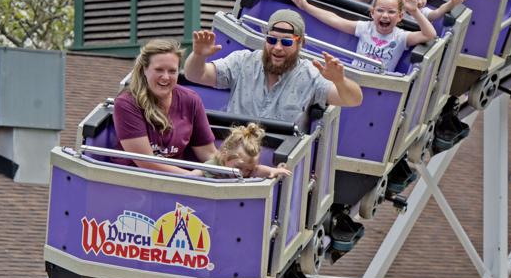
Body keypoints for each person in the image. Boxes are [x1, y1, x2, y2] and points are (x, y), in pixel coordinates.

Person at [184, 9, 363, 132]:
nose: (277, 48)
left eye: (286, 42)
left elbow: (353, 99)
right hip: (233, 151)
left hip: (279, 163)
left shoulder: (310, 74)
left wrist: (340, 80)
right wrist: (198, 56)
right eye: (271, 40)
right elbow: (195, 74)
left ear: (300, 44)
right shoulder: (242, 61)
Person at [113, 39, 217, 175]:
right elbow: (147, 163)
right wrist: (191, 176)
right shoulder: (126, 104)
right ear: (145, 69)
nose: (166, 77)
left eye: (172, 71)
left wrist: (234, 166)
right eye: (159, 70)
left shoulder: (191, 100)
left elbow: (208, 153)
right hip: (133, 181)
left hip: (178, 183)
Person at [288, 0, 436, 73]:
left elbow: (430, 34)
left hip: (377, 84)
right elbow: (335, 20)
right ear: (372, 13)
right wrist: (306, 7)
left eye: (391, 12)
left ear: (400, 16)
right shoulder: (365, 28)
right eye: (380, 10)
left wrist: (415, 11)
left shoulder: (402, 37)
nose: (385, 15)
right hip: (354, 75)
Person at [205, 123, 291, 179]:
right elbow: (194, 176)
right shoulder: (213, 165)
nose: (243, 174)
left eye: (249, 170)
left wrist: (273, 171)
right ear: (224, 155)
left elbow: (258, 170)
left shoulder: (248, 170)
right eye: (238, 168)